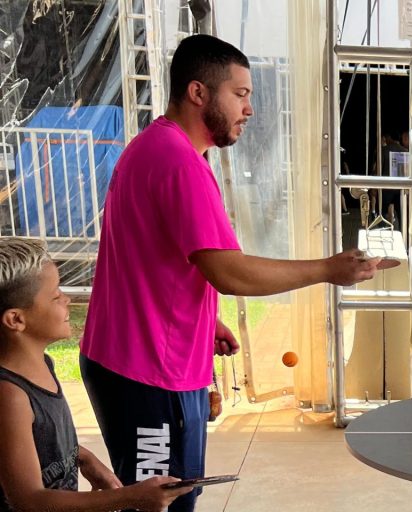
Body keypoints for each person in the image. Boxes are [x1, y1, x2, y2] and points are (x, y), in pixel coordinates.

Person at [79, 34, 381, 512]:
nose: (250, 109)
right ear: (198, 92)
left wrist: (203, 319)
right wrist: (327, 269)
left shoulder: (158, 146)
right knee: (159, 502)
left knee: (172, 495)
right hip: (148, 372)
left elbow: (153, 257)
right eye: (240, 94)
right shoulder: (178, 161)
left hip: (141, 357)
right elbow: (230, 272)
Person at [0, 237, 192, 512]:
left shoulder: (42, 364)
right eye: (55, 296)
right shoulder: (10, 397)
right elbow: (29, 500)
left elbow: (43, 442)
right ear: (16, 320)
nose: (66, 299)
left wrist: (84, 457)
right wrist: (130, 497)